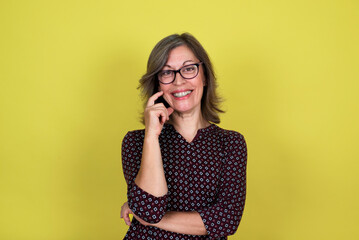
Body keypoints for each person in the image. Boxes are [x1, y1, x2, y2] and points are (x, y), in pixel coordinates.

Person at [120, 33, 247, 239]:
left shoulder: (231, 143)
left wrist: (147, 216)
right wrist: (152, 136)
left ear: (204, 76)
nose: (178, 81)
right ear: (158, 84)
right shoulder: (136, 142)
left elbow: (227, 220)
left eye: (189, 69)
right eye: (167, 73)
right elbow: (150, 209)